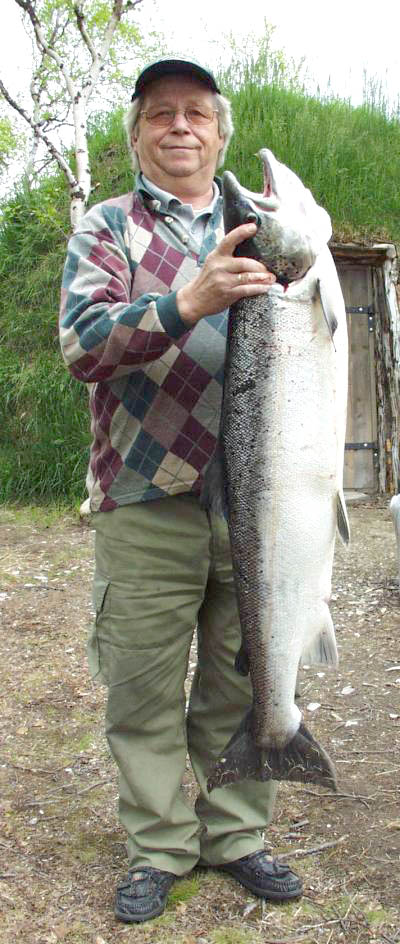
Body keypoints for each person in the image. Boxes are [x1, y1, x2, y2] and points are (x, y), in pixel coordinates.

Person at [59, 57, 303, 924]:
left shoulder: (263, 231)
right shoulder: (107, 227)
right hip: (143, 495)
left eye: (197, 112)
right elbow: (83, 345)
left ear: (219, 133)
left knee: (246, 674)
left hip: (260, 502)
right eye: (160, 113)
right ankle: (161, 845)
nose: (180, 127)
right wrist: (183, 303)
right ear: (138, 135)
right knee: (143, 687)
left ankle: (236, 834)